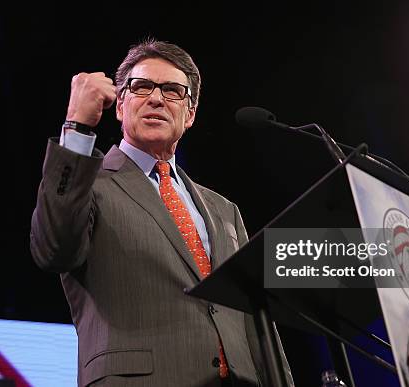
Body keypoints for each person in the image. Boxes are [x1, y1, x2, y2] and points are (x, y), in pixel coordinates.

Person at [30, 38, 293, 387]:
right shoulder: (87, 185)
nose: (156, 98)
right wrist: (78, 127)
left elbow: (256, 318)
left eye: (172, 90)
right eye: (141, 87)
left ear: (190, 114)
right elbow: (52, 249)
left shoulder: (224, 209)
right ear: (120, 104)